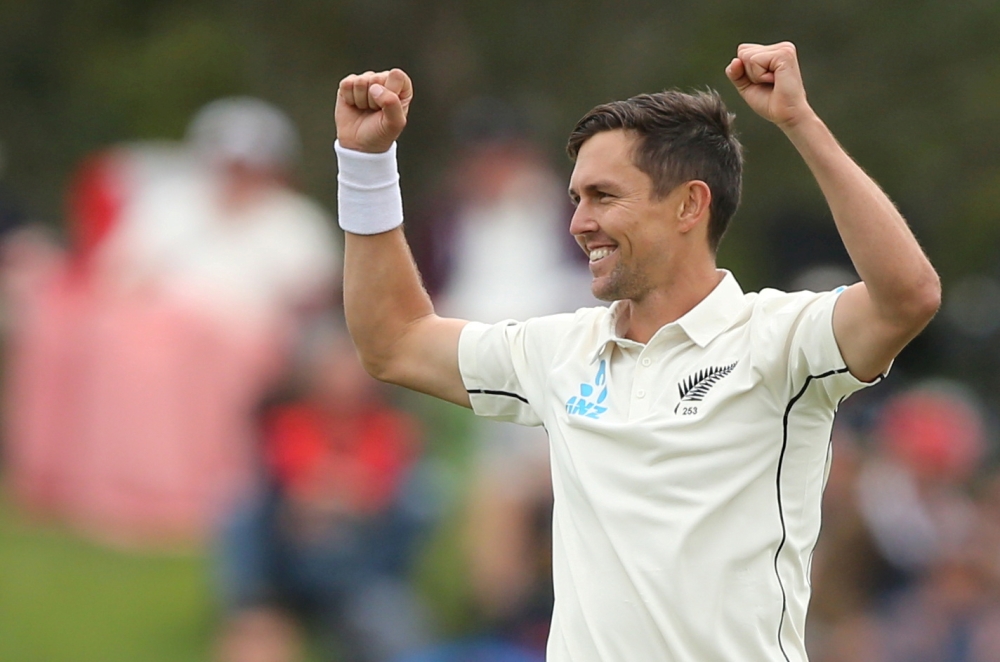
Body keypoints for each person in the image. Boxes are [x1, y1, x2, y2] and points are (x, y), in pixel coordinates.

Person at [332, 42, 940, 662]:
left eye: (604, 196)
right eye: (576, 198)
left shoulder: (779, 338)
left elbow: (908, 297)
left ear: (689, 205)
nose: (578, 222)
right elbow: (394, 342)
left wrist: (798, 122)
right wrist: (365, 163)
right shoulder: (559, 350)